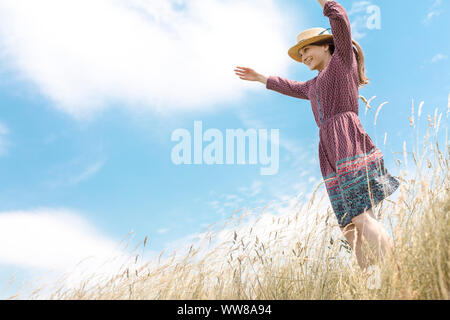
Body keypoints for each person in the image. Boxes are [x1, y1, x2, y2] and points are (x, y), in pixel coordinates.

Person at [234, 0, 400, 270]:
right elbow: (289, 86)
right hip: (328, 151)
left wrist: (325, 2)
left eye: (306, 49)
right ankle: (374, 286)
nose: (303, 57)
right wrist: (261, 78)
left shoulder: (342, 61)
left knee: (361, 217)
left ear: (326, 45)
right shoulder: (312, 85)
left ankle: (396, 274)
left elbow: (341, 19)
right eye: (300, 55)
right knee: (349, 227)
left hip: (346, 140)